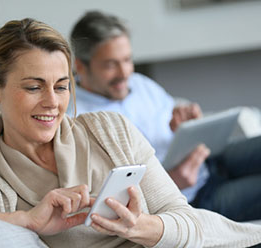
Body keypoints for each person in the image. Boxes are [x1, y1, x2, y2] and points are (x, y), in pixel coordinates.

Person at [0, 18, 260, 248]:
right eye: (33, 87)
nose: (52, 102)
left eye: (60, 86)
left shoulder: (110, 130)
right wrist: (25, 220)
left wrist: (143, 227)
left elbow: (182, 216)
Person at [68, 10, 261, 222]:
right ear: (80, 66)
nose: (124, 73)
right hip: (193, 198)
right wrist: (167, 184)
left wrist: (185, 119)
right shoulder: (77, 122)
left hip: (211, 158)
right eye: (110, 64)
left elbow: (172, 113)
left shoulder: (140, 84)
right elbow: (108, 202)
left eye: (127, 59)